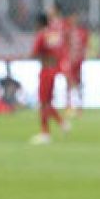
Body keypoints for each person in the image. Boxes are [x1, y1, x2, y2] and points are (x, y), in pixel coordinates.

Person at [29, 13, 69, 145]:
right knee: (47, 102)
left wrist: (31, 56)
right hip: (54, 69)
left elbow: (34, 53)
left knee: (43, 102)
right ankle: (62, 123)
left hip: (46, 70)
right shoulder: (54, 35)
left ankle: (45, 133)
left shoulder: (41, 35)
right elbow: (60, 52)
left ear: (39, 23)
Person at [65, 11, 90, 117]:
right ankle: (69, 105)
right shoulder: (67, 31)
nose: (74, 19)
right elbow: (64, 45)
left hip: (78, 61)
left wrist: (84, 56)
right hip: (69, 61)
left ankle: (80, 107)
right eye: (72, 17)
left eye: (76, 17)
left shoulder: (83, 32)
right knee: (69, 83)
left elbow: (86, 46)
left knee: (79, 83)